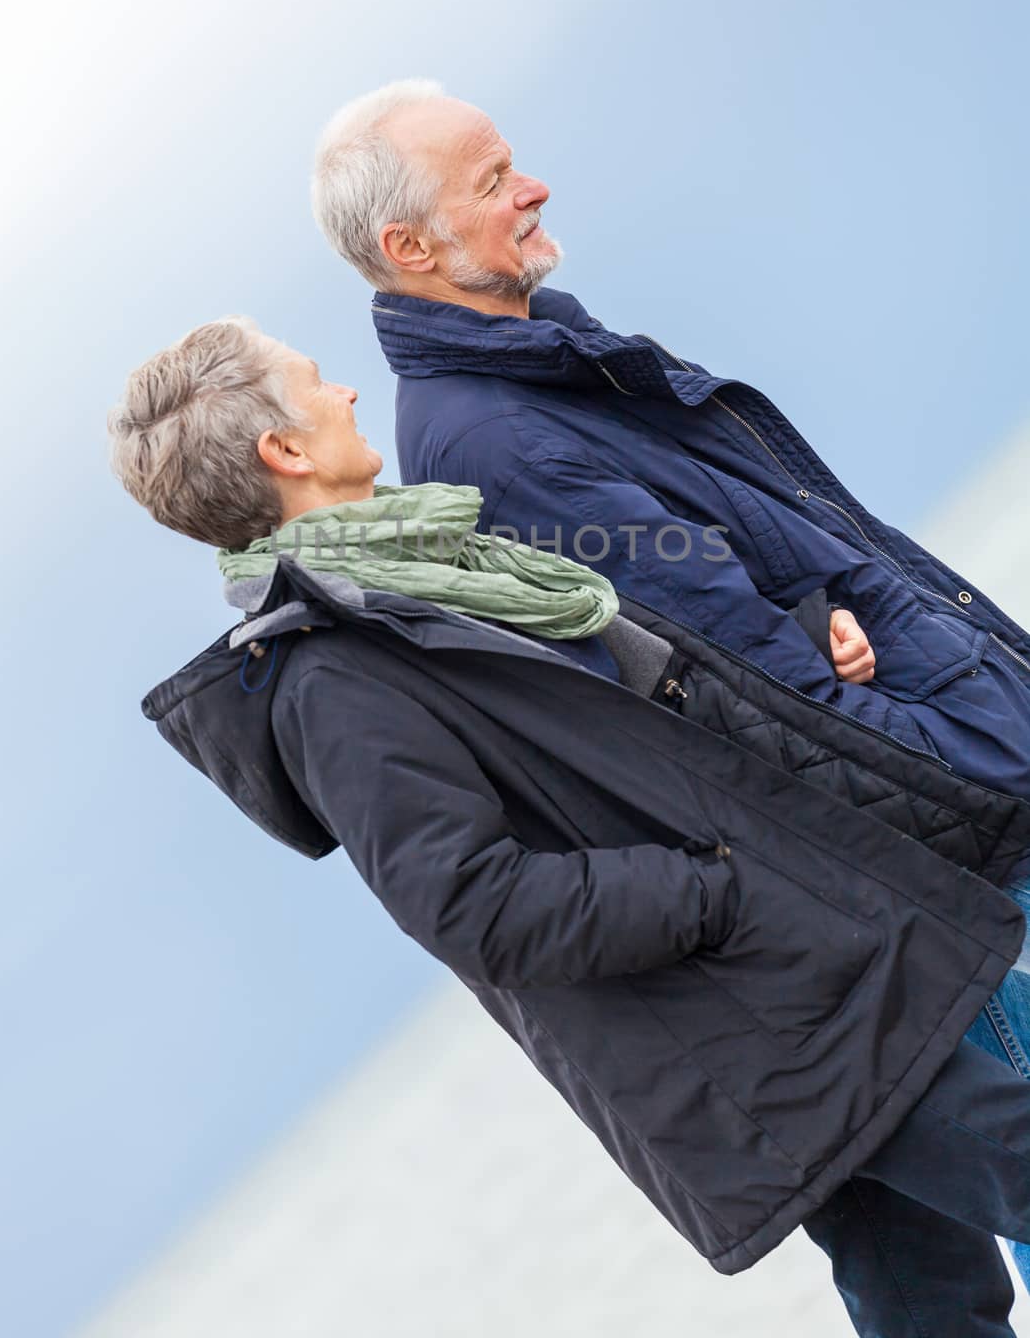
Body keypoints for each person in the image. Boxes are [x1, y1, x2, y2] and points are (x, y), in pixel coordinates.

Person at [111, 316, 1030, 1338]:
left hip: (814, 972)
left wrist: (807, 641)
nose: (349, 396)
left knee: (929, 1307)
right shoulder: (330, 676)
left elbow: (632, 732)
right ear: (283, 451)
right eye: (317, 383)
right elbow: (470, 901)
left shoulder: (439, 568)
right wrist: (717, 892)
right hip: (768, 1012)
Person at [313, 77, 1030, 1295]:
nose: (531, 186)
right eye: (492, 180)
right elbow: (741, 675)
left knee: (915, 1270)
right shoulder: (489, 436)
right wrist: (942, 767)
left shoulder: (540, 364)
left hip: (893, 829)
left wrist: (822, 632)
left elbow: (712, 609)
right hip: (919, 831)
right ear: (409, 246)